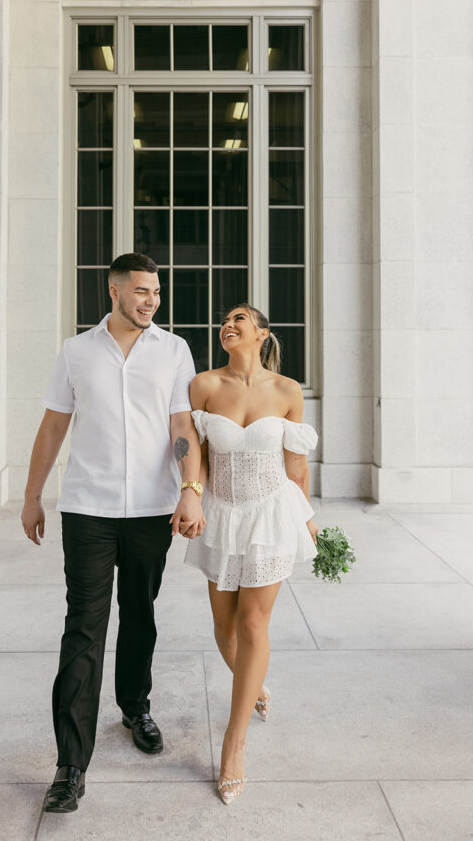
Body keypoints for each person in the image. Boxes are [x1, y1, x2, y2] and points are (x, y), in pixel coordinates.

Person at [21, 253, 204, 814]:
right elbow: (54, 424)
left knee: (140, 613)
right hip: (88, 509)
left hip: (151, 509)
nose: (151, 299)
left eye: (156, 292)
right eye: (141, 290)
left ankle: (135, 705)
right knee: (84, 628)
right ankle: (70, 765)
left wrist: (190, 487)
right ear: (114, 291)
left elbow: (182, 426)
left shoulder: (173, 351)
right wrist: (32, 496)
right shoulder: (77, 351)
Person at [184, 303, 319, 805]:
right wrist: (191, 492)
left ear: (261, 333)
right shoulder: (203, 386)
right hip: (221, 515)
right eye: (224, 318)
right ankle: (255, 687)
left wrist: (307, 518)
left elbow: (296, 464)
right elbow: (192, 446)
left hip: (270, 515)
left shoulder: (286, 391)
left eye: (240, 318)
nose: (228, 323)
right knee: (224, 630)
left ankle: (233, 746)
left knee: (253, 625)